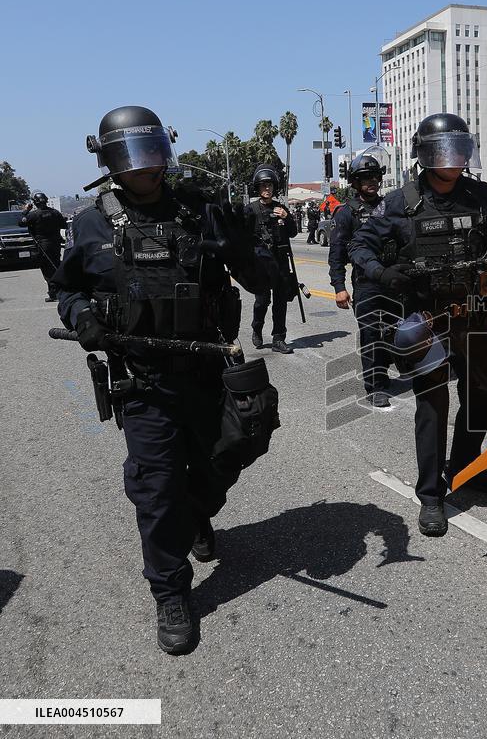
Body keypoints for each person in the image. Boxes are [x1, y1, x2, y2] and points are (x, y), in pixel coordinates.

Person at [51, 105, 274, 655]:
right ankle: (170, 589)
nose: (144, 169)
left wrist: (240, 245)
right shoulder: (91, 222)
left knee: (238, 445)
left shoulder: (201, 210)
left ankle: (196, 514)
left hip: (208, 369)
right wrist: (83, 318)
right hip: (144, 379)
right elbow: (68, 290)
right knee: (156, 486)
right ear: (108, 162)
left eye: (152, 154)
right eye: (130, 158)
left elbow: (263, 278)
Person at [350, 113, 487, 537]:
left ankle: (464, 464)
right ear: (425, 155)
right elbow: (361, 244)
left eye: (461, 149)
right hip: (426, 317)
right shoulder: (400, 202)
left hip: (478, 314)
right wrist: (381, 272)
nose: (455, 158)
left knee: (484, 396)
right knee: (432, 407)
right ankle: (430, 495)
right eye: (445, 150)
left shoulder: (482, 195)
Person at [329, 147, 394, 408]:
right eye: (365, 178)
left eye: (375, 177)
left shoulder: (391, 207)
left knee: (392, 332)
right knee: (371, 334)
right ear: (355, 182)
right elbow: (336, 253)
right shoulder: (346, 213)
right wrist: (339, 287)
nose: (372, 182)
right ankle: (375, 385)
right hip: (366, 284)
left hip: (392, 279)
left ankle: (384, 371)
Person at [247, 165, 297, 354]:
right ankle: (257, 327)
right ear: (257, 188)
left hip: (280, 263)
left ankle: (278, 338)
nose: (266, 189)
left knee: (280, 302)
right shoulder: (250, 210)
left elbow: (292, 233)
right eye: (263, 186)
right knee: (262, 301)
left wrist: (287, 217)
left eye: (269, 185)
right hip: (261, 264)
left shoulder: (280, 208)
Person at [19, 192, 67, 302]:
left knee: (47, 269)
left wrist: (26, 210)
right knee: (56, 265)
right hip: (55, 244)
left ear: (35, 203)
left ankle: (54, 293)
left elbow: (21, 222)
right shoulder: (55, 213)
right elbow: (64, 225)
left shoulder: (33, 215)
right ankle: (60, 290)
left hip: (42, 245)